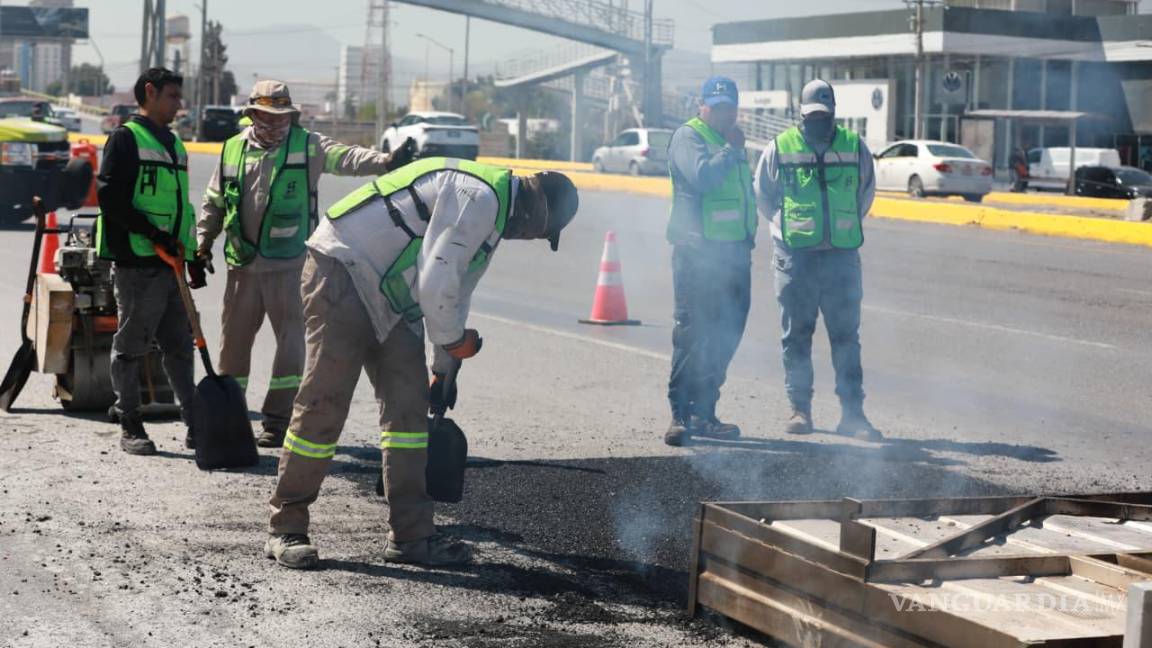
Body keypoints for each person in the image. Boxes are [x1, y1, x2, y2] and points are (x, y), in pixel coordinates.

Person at [264, 158, 579, 569]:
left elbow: (456, 293)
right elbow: (437, 285)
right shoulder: (478, 198)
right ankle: (286, 527)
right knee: (324, 403)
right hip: (344, 267)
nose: (531, 237)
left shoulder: (492, 219)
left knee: (409, 415)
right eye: (540, 231)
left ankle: (411, 537)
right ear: (537, 208)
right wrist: (453, 340)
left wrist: (443, 367)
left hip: (393, 295)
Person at [197, 80, 417, 448]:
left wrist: (385, 162)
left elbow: (347, 158)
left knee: (292, 347)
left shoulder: (308, 145)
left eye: (282, 117)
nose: (276, 124)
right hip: (243, 265)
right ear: (252, 115)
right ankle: (231, 417)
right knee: (232, 349)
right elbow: (215, 200)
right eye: (267, 116)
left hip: (290, 265)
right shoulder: (233, 149)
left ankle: (277, 421)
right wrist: (202, 244)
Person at [753, 79, 880, 441]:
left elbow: (864, 195)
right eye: (811, 116)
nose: (817, 122)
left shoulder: (855, 148)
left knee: (845, 338)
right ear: (800, 115)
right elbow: (764, 195)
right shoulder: (780, 147)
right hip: (796, 258)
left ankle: (853, 415)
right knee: (797, 337)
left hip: (841, 257)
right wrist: (790, 228)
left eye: (823, 116)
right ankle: (800, 410)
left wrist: (838, 228)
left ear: (834, 114)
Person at [95, 68, 206, 455]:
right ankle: (130, 424)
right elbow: (111, 198)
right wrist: (154, 236)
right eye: (173, 96)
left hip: (171, 263)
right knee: (132, 345)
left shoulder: (175, 144)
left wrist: (191, 256)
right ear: (150, 92)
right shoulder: (126, 139)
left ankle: (196, 425)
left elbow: (179, 209)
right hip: (139, 262)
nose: (179, 104)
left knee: (180, 346)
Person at [663, 75, 757, 447]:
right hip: (697, 255)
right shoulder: (691, 136)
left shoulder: (731, 142)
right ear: (702, 106)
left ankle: (705, 411)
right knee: (691, 334)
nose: (723, 114)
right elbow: (702, 178)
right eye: (716, 107)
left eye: (729, 107)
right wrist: (730, 152)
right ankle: (679, 415)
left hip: (733, 256)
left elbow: (743, 196)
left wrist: (747, 239)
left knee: (726, 334)